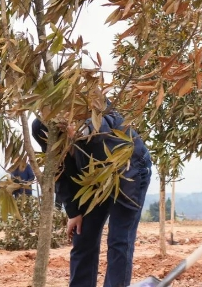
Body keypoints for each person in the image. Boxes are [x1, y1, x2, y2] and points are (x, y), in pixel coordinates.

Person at [32, 107, 152, 287]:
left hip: (128, 171)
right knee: (83, 236)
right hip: (90, 178)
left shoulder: (89, 99)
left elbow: (108, 121)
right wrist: (73, 211)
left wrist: (83, 130)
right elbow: (58, 169)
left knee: (119, 240)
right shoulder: (42, 127)